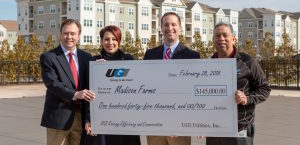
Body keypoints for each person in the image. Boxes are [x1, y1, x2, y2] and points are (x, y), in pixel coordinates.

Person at [206, 22, 271, 145]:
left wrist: (247, 98)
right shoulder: (208, 65)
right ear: (213, 40)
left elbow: (265, 89)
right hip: (214, 128)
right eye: (217, 36)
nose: (221, 39)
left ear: (233, 38)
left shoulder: (248, 61)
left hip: (240, 127)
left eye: (225, 35)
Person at [144, 12, 200, 145]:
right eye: (166, 25)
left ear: (180, 28)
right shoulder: (150, 54)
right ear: (161, 28)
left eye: (174, 24)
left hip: (180, 123)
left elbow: (195, 91)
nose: (170, 28)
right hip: (154, 123)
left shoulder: (192, 56)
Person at [82, 25, 141, 145]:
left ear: (119, 40)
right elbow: (89, 94)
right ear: (102, 41)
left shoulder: (129, 60)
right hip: (103, 118)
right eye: (106, 39)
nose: (110, 43)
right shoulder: (94, 62)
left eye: (114, 39)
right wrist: (88, 119)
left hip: (127, 118)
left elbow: (139, 89)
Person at [40, 19, 96, 145]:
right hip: (58, 118)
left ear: (79, 36)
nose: (69, 37)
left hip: (81, 119)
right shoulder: (49, 57)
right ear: (60, 34)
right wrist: (76, 94)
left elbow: (90, 83)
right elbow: (52, 84)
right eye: (65, 33)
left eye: (73, 33)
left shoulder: (86, 57)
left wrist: (100, 70)